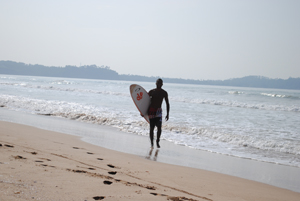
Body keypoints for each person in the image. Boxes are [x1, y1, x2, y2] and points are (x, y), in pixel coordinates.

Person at [147, 78, 170, 148]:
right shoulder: (151, 92)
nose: (159, 84)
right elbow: (145, 102)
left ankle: (157, 141)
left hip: (158, 111)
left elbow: (167, 103)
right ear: (156, 83)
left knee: (159, 128)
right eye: (158, 83)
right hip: (151, 111)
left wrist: (167, 114)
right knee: (151, 128)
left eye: (160, 83)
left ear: (162, 84)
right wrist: (142, 112)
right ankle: (151, 143)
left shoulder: (164, 93)